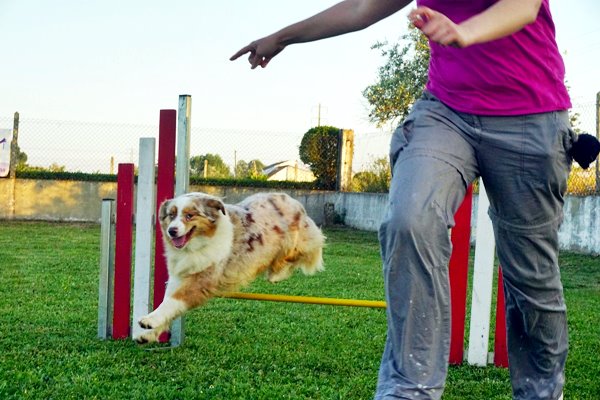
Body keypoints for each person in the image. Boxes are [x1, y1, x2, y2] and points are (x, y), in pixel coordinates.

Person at [231, 1, 571, 399]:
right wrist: (281, 38)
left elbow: (523, 6)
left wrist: (466, 32)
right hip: (447, 111)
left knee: (531, 275)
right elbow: (361, 7)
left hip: (531, 116)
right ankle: (410, 390)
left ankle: (543, 392)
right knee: (409, 222)